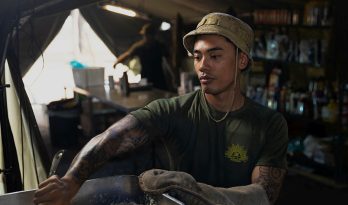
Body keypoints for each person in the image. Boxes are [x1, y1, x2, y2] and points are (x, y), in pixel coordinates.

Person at [33, 12, 288, 205]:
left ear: (241, 60)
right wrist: (71, 180)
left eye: (215, 56)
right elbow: (113, 137)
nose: (202, 66)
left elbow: (262, 194)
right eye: (197, 56)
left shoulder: (268, 124)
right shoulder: (173, 111)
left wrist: (195, 192)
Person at [113, 23, 174, 91]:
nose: (146, 37)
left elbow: (169, 62)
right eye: (145, 35)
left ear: (153, 35)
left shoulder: (160, 46)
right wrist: (117, 62)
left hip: (159, 78)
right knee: (145, 96)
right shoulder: (140, 47)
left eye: (148, 35)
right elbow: (128, 54)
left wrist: (173, 76)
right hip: (145, 77)